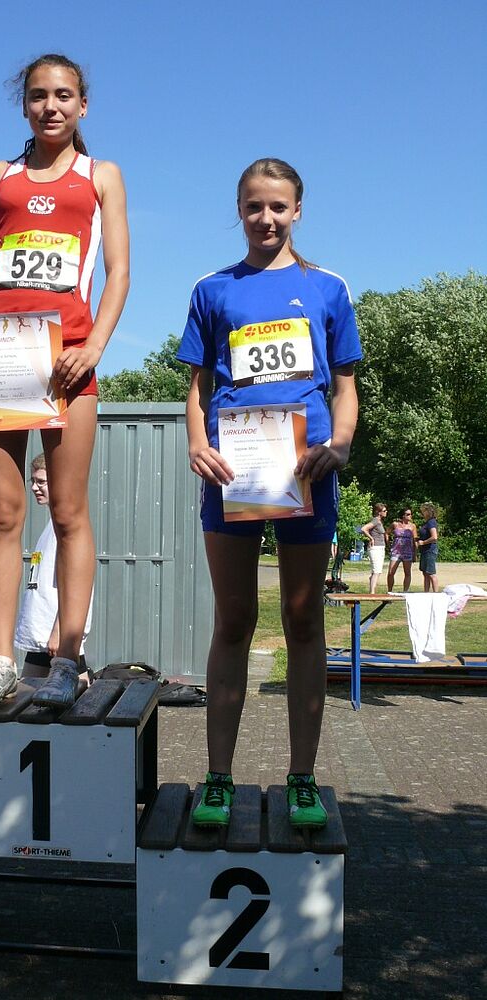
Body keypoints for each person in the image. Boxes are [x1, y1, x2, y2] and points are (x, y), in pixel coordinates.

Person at [177, 157, 362, 830]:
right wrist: (196, 442)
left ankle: (302, 778)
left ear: (298, 210)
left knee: (304, 620)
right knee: (233, 621)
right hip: (235, 472)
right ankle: (218, 777)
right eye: (254, 206)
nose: (266, 218)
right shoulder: (212, 289)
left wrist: (341, 444)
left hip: (306, 471)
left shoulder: (328, 288)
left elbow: (345, 387)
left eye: (278, 206)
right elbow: (197, 387)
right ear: (239, 210)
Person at [0, 54, 129, 709]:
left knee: (68, 511)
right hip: (1, 355)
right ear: (23, 105)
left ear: (82, 105)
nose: (50, 106)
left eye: (62, 95)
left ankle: (66, 659)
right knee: (4, 513)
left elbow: (119, 271)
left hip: (67, 361)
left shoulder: (101, 175)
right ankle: (1, 661)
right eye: (37, 96)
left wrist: (95, 347)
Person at [15, 454, 92, 683]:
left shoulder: (66, 533)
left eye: (42, 482)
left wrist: (60, 631)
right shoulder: (50, 528)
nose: (34, 488)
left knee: (75, 692)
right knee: (28, 693)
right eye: (33, 481)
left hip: (55, 636)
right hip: (42, 635)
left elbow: (77, 584)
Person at [386, 507, 417, 592]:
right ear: (403, 515)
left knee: (407, 573)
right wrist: (388, 545)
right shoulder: (395, 524)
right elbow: (387, 533)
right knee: (391, 572)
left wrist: (415, 553)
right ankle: (389, 591)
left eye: (410, 514)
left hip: (408, 552)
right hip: (396, 551)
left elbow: (415, 540)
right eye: (408, 514)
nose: (410, 516)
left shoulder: (412, 526)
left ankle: (405, 591)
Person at [361, 503, 388, 594]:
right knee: (376, 571)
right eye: (384, 511)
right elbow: (364, 529)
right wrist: (371, 538)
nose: (386, 512)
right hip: (375, 548)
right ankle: (372, 593)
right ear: (379, 512)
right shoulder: (376, 520)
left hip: (380, 548)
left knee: (378, 571)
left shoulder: (379, 521)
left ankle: (372, 588)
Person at [417, 502, 439, 592]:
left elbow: (434, 537)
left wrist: (423, 542)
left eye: (423, 511)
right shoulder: (427, 523)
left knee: (431, 573)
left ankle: (436, 594)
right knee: (425, 573)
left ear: (428, 511)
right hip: (424, 551)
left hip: (430, 550)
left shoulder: (431, 522)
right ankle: (426, 593)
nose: (422, 513)